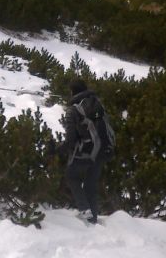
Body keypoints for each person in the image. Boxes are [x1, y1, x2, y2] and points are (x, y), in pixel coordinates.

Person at [56, 78, 113, 224]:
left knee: (72, 176)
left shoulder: (73, 110)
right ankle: (93, 219)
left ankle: (85, 210)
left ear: (72, 91)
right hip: (103, 150)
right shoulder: (97, 103)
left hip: (86, 151)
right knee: (90, 184)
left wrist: (55, 150)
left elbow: (70, 140)